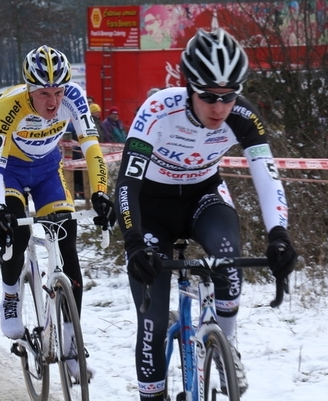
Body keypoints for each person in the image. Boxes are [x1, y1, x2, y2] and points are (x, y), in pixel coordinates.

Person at [114, 28, 298, 400]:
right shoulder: (157, 112)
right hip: (150, 208)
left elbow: (267, 175)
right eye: (209, 97)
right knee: (151, 320)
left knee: (228, 258)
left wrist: (279, 234)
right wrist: (133, 242)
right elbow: (126, 184)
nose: (219, 107)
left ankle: (226, 349)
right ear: (189, 87)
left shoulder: (244, 115)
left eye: (229, 96)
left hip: (203, 196)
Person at [0, 45, 115, 381]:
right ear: (29, 89)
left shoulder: (75, 98)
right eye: (44, 93)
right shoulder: (8, 105)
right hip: (11, 173)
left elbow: (93, 150)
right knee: (19, 234)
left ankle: (72, 350)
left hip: (47, 173)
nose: (53, 102)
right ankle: (11, 294)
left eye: (58, 92)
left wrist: (100, 192)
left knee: (69, 253)